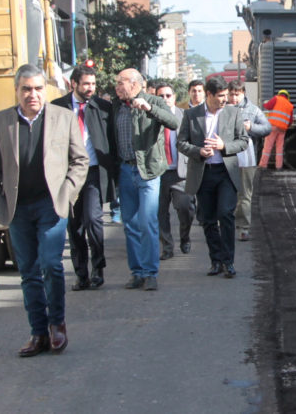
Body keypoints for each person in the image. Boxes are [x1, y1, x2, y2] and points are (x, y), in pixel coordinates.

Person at [0, 64, 88, 357]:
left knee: (51, 265)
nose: (33, 94)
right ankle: (38, 332)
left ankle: (57, 325)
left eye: (38, 88)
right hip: (17, 208)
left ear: (45, 90)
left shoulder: (62, 118)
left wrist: (67, 193)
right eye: (26, 89)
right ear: (16, 91)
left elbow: (80, 161)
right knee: (28, 272)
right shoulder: (2, 121)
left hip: (51, 205)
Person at [112, 68, 179, 291]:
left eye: (120, 83)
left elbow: (172, 122)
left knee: (147, 221)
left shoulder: (153, 101)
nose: (117, 87)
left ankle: (151, 273)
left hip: (148, 171)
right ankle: (137, 272)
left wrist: (149, 108)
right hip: (124, 170)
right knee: (129, 223)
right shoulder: (116, 106)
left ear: (134, 83)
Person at [177, 76, 249, 278]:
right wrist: (199, 151)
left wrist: (224, 146)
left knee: (225, 213)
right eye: (220, 96)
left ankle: (229, 261)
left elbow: (243, 141)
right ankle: (215, 260)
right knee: (207, 219)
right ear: (208, 95)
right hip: (203, 173)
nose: (225, 100)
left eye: (226, 95)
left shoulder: (233, 113)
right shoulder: (191, 115)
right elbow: (181, 142)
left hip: (226, 173)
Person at [51, 64, 114, 291]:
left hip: (94, 172)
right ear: (73, 84)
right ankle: (81, 274)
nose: (91, 88)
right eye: (86, 84)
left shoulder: (104, 107)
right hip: (67, 176)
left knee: (93, 220)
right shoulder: (57, 108)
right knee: (74, 226)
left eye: (94, 84)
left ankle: (98, 267)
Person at [152, 83, 195, 260]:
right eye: (160, 96)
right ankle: (167, 246)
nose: (165, 99)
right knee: (159, 212)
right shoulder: (150, 117)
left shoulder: (185, 116)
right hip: (158, 173)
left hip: (180, 172)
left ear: (174, 98)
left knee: (186, 207)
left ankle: (185, 237)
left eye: (168, 96)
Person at [228, 79, 271, 241]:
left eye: (236, 94)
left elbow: (267, 128)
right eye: (231, 94)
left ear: (243, 93)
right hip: (226, 158)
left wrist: (251, 127)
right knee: (227, 194)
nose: (233, 98)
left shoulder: (253, 110)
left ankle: (244, 227)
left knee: (245, 195)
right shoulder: (222, 108)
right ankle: (226, 223)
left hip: (246, 159)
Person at [259, 89, 293, 170]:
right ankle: (279, 166)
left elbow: (267, 106)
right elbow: (290, 121)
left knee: (268, 146)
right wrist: (285, 126)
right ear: (287, 96)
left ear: (280, 94)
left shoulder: (276, 98)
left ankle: (263, 165)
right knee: (279, 148)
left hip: (273, 127)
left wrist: (265, 103)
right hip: (282, 129)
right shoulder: (290, 105)